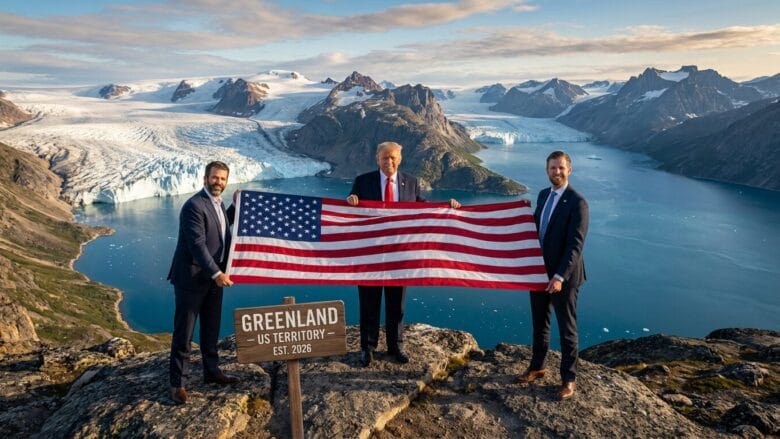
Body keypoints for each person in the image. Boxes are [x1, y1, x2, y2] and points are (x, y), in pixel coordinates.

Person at [347, 141, 460, 367]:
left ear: (400, 158)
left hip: (400, 255)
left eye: (393, 157)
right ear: (377, 158)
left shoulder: (411, 182)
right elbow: (350, 207)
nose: (389, 162)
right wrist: (351, 201)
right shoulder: (363, 181)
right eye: (384, 157)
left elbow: (423, 208)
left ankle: (395, 346)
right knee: (369, 303)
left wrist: (447, 206)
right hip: (371, 255)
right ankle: (367, 348)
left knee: (396, 304)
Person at [518, 150, 589, 400]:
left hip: (563, 278)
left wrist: (559, 276)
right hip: (539, 272)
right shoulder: (543, 195)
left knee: (567, 329)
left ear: (569, 170)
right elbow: (536, 229)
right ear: (546, 170)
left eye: (560, 168)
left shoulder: (577, 202)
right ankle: (537, 366)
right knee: (540, 323)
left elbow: (575, 245)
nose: (556, 172)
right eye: (552, 168)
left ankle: (569, 379)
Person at [168, 161, 239, 405]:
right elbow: (197, 245)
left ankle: (212, 371)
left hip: (213, 279)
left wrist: (236, 205)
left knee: (211, 329)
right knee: (184, 334)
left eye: (222, 179)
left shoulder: (217, 204)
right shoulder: (193, 206)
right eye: (214, 178)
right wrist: (217, 274)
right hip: (192, 279)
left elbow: (221, 226)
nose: (218, 182)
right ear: (205, 178)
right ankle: (177, 383)